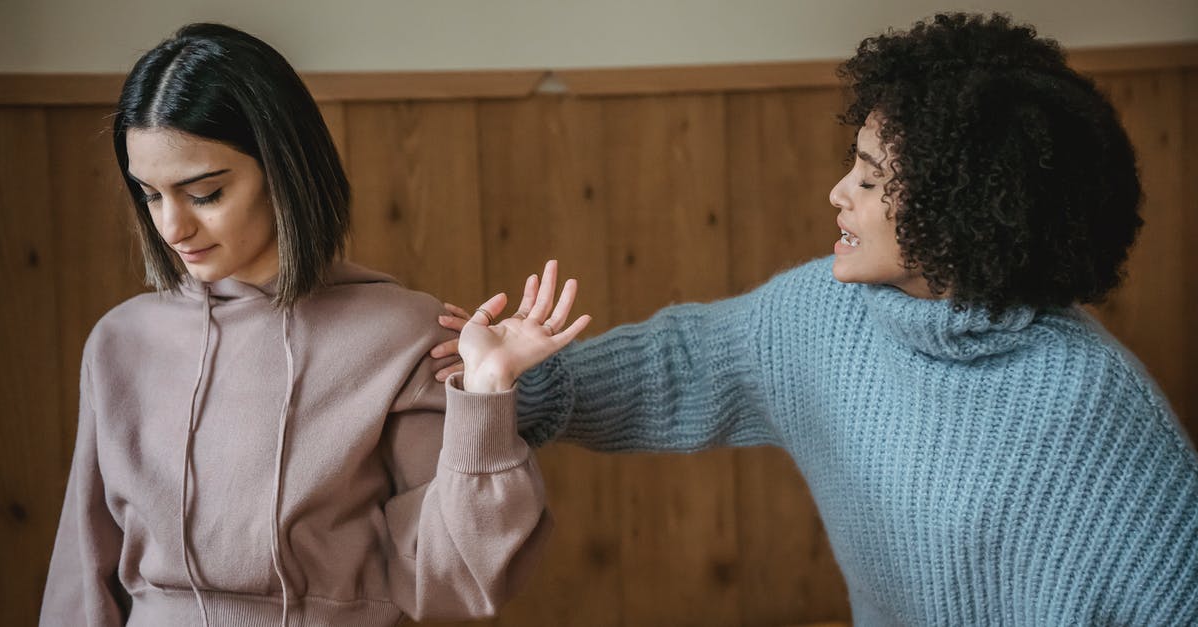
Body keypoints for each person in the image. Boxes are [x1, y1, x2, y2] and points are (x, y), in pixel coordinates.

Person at [435, 12, 1198, 625]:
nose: (839, 192)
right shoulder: (825, 315)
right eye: (852, 165)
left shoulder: (1096, 403)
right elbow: (683, 365)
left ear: (963, 210)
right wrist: (511, 384)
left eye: (869, 178)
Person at [39, 23, 590, 627]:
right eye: (149, 195)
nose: (171, 228)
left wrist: (485, 395)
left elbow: (457, 579)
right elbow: (82, 568)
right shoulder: (120, 343)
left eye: (204, 194)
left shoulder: (401, 335)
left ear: (283, 169)